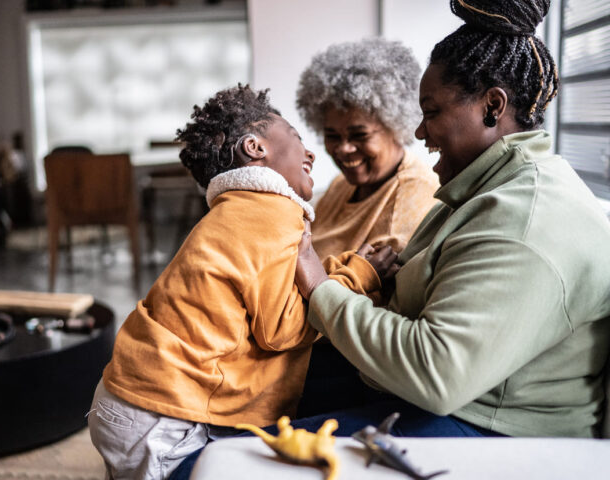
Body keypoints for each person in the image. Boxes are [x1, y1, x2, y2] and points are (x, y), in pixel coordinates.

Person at [294, 0, 610, 439]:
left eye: (432, 112)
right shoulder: (478, 189)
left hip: (483, 427)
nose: (420, 132)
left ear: (492, 107)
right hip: (426, 398)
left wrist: (320, 289)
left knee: (223, 457)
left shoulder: (526, 220)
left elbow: (434, 374)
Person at [87, 85, 380, 479]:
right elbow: (282, 330)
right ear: (256, 148)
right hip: (161, 412)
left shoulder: (235, 212)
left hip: (130, 395)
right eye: (296, 137)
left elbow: (272, 297)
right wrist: (358, 273)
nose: (310, 152)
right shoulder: (274, 210)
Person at [296, 38, 439, 260]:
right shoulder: (340, 186)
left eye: (359, 135)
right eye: (332, 136)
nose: (344, 149)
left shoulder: (416, 193)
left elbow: (376, 287)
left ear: (395, 126)